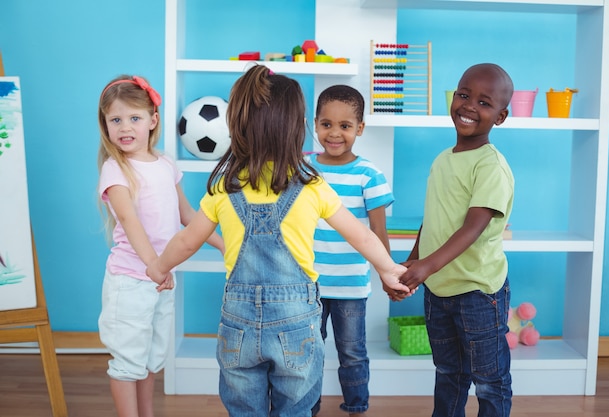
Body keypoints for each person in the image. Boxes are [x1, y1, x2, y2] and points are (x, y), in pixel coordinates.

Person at [145, 65, 412, 417]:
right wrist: (389, 268)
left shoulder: (226, 185)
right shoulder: (312, 184)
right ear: (297, 127)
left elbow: (186, 240)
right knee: (295, 409)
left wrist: (159, 267)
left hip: (237, 322)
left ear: (238, 126)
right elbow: (361, 235)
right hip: (297, 320)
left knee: (245, 410)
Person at [96, 74, 224, 417]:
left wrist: (223, 245)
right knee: (128, 361)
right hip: (131, 280)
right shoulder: (115, 169)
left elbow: (187, 214)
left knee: (152, 357)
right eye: (116, 119)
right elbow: (129, 221)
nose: (126, 127)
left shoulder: (166, 163)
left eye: (134, 118)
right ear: (105, 124)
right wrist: (155, 265)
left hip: (161, 278)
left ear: (153, 121)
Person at [399, 63, 515, 417]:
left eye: (483, 102)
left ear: (500, 116)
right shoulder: (442, 160)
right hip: (439, 289)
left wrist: (425, 266)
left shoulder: (490, 166)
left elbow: (472, 227)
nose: (468, 106)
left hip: (478, 292)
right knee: (449, 372)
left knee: (488, 379)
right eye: (464, 95)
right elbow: (433, 217)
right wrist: (414, 258)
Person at [307, 85, 395, 417]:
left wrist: (389, 274)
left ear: (359, 128)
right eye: (326, 124)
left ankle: (357, 408)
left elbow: (378, 231)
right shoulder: (303, 168)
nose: (334, 133)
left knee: (352, 352)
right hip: (308, 284)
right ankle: (307, 408)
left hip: (350, 285)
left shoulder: (368, 175)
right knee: (308, 353)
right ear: (315, 124)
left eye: (345, 126)